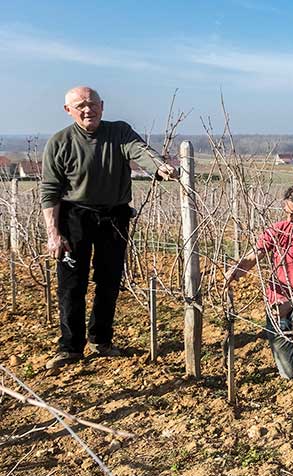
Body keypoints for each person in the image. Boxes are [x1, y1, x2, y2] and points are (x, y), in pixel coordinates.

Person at [41, 86, 177, 369]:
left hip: (114, 217)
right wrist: (54, 235)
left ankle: (101, 340)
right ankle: (71, 347)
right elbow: (50, 191)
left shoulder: (119, 132)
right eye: (80, 105)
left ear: (102, 106)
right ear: (68, 111)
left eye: (92, 104)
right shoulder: (59, 142)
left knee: (109, 281)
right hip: (74, 217)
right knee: (71, 285)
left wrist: (158, 166)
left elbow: (138, 150)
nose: (87, 109)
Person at [225, 184, 293, 395]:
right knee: (287, 371)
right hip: (277, 300)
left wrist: (291, 303)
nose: (290, 219)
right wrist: (238, 269)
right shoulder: (279, 230)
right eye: (287, 213)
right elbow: (253, 256)